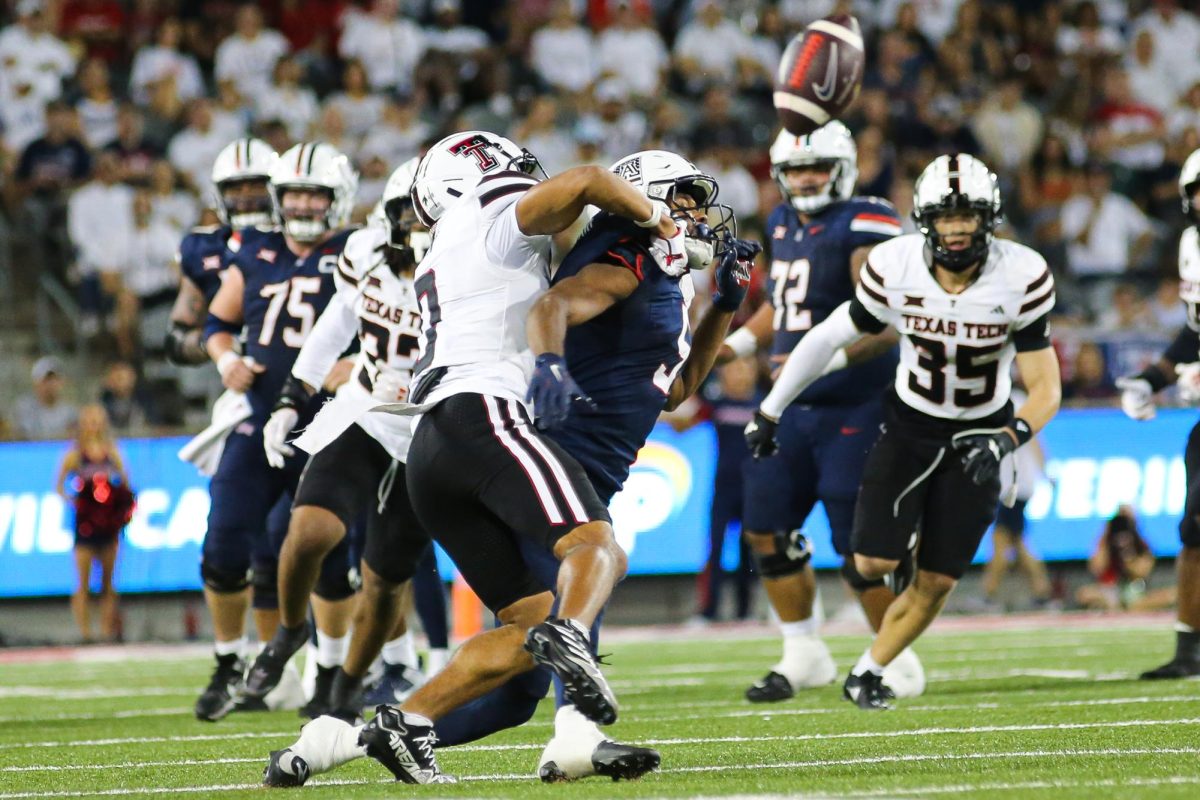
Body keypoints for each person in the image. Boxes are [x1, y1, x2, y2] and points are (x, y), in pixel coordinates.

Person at [261, 146, 757, 786]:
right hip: (502, 431)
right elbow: (569, 241)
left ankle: (349, 738)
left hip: (455, 440)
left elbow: (675, 387)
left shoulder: (648, 272)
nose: (696, 214)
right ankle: (576, 732)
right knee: (594, 558)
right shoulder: (598, 246)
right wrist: (556, 358)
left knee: (522, 666)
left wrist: (722, 307)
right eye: (682, 199)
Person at [745, 154, 1062, 710]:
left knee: (939, 580)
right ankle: (905, 539)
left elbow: (1045, 388)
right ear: (924, 219)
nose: (958, 228)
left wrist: (1007, 438)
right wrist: (772, 408)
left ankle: (869, 670)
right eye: (945, 216)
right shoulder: (897, 265)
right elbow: (824, 337)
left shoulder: (1022, 274)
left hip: (980, 433)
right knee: (870, 563)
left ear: (991, 218)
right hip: (911, 423)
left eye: (969, 215)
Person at [716, 122, 922, 704]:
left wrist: (817, 365)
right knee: (766, 531)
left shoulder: (866, 219)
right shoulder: (783, 222)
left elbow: (881, 323)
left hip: (854, 403)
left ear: (844, 167)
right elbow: (783, 307)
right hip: (789, 409)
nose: (806, 179)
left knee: (861, 548)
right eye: (796, 170)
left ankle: (894, 656)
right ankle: (803, 652)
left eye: (817, 167)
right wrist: (734, 346)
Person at [242, 159, 445, 721]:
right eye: (408, 211)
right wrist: (290, 398)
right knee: (307, 531)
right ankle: (287, 634)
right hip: (364, 410)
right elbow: (336, 323)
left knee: (383, 577)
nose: (417, 225)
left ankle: (352, 682)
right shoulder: (364, 253)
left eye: (429, 213)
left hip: (430, 425)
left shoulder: (468, 271)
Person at [194, 142, 358, 722]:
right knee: (222, 546)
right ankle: (227, 662)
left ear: (339, 197)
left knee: (332, 559)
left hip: (330, 426)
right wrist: (224, 361)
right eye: (293, 194)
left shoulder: (357, 253)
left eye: (315, 193)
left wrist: (357, 365)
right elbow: (217, 322)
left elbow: (395, 323)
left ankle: (332, 674)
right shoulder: (258, 251)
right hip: (261, 419)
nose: (304, 204)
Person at [1117, 146, 1200, 679]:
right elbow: (1194, 331)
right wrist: (1151, 378)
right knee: (1194, 526)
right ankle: (1191, 650)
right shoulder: (1192, 245)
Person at [165, 138, 277, 367]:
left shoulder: (298, 247)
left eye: (256, 185)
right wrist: (217, 344)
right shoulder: (204, 249)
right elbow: (177, 338)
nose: (246, 196)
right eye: (235, 187)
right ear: (219, 195)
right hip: (239, 374)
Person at [55, 404, 134, 643]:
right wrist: (76, 502)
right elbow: (59, 486)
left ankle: (106, 631)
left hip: (108, 525)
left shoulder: (113, 452)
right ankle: (85, 633)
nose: (95, 425)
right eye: (90, 420)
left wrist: (118, 508)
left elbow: (126, 485)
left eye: (98, 420)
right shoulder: (74, 454)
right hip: (85, 525)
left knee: (108, 582)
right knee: (83, 581)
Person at [979, 388, 1053, 610]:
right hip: (1013, 483)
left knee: (1001, 541)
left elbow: (1033, 438)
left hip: (1016, 484)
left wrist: (1044, 471)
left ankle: (989, 595)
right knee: (1018, 543)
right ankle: (1042, 592)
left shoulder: (1014, 401)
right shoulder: (1000, 400)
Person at [1076, 506, 1159, 611]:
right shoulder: (1106, 543)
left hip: (1134, 590)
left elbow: (1142, 572)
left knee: (1166, 596)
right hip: (1109, 590)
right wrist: (1107, 534)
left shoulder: (1141, 545)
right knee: (1084, 594)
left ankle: (1120, 607)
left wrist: (1128, 553)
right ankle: (1115, 606)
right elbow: (1097, 568)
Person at [14, 356, 78, 440]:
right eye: (47, 380)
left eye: (55, 379)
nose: (51, 384)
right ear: (36, 383)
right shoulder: (24, 409)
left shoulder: (69, 412)